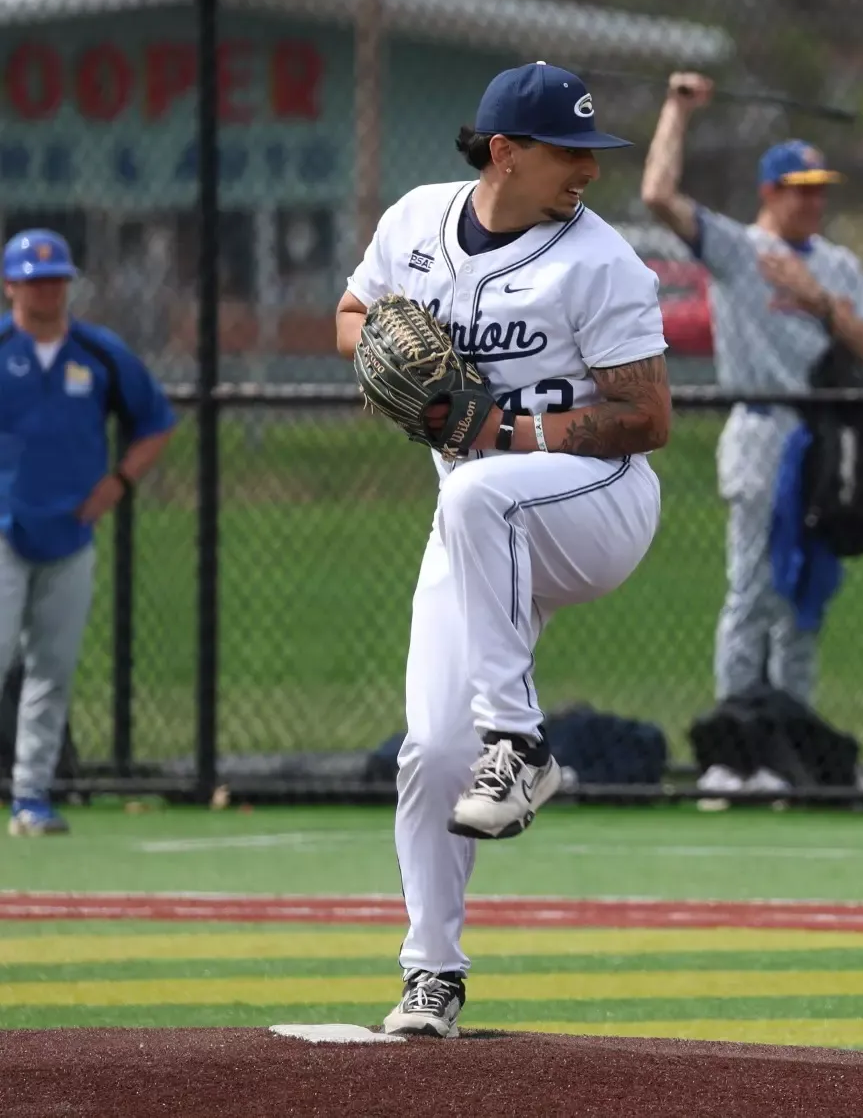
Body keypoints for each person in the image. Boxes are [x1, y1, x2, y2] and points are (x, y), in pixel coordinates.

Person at [334, 61, 672, 1038]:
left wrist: (504, 435)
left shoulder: (598, 261)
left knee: (480, 488)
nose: (588, 170)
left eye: (591, 151)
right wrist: (385, 354)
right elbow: (352, 315)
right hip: (475, 526)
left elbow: (647, 417)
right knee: (432, 751)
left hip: (595, 507)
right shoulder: (413, 223)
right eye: (569, 151)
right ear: (503, 150)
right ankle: (430, 974)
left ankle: (521, 746)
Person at [639, 73, 863, 736]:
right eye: (800, 192)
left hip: (821, 438)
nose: (813, 204)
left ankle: (795, 738)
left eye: (820, 192)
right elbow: (658, 195)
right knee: (752, 593)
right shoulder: (740, 250)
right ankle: (738, 741)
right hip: (760, 429)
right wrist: (677, 112)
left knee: (805, 601)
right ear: (769, 193)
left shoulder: (835, 266)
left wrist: (818, 300)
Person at [1, 230, 177, 837]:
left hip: (73, 532)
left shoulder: (97, 353)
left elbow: (155, 422)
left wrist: (119, 483)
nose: (45, 289)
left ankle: (30, 796)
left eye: (55, 278)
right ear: (10, 286)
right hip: (5, 527)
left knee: (52, 666)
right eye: (32, 279)